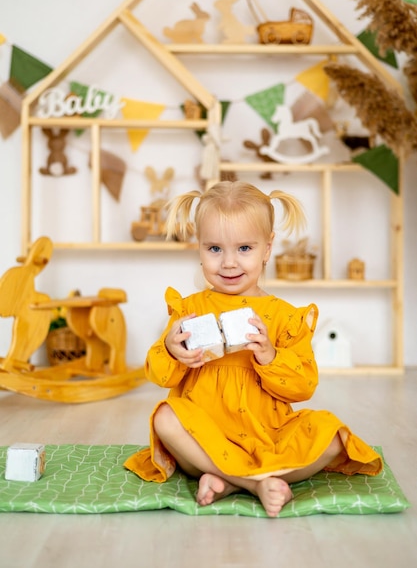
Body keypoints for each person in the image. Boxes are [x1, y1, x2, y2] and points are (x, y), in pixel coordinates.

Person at [125, 181, 383, 517]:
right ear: (199, 248)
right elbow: (158, 374)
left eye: (244, 248)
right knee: (164, 416)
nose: (229, 263)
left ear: (267, 248)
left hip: (268, 436)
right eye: (214, 249)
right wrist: (173, 351)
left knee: (332, 435)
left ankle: (228, 481)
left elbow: (304, 386)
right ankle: (253, 483)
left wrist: (270, 356)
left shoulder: (285, 317)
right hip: (205, 437)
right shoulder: (189, 310)